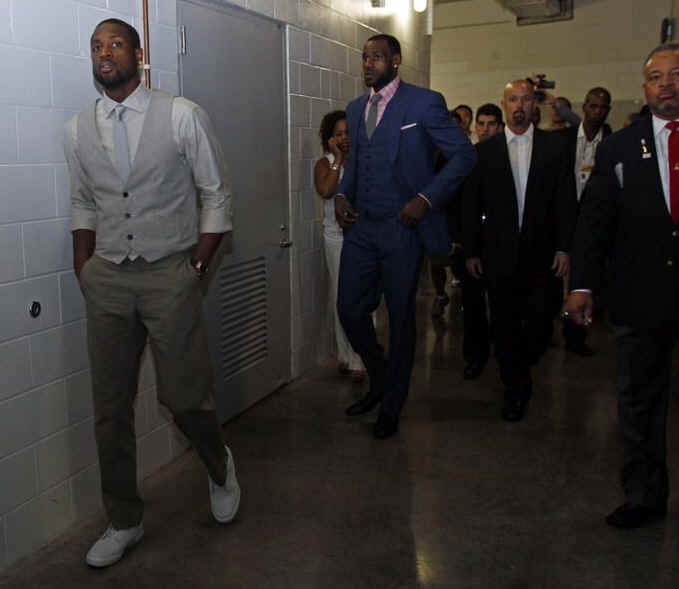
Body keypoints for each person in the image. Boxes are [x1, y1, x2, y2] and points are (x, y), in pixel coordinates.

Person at [65, 19, 239, 567]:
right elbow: (83, 202)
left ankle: (219, 466)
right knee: (110, 408)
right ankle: (124, 519)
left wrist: (197, 265)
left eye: (116, 44)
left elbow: (216, 194)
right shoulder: (78, 128)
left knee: (185, 397)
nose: (105, 53)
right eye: (96, 46)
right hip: (107, 277)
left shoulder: (181, 114)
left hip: (171, 272)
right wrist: (84, 267)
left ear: (139, 54)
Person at [335, 34, 476, 439]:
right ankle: (381, 378)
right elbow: (355, 165)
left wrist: (426, 199)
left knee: (400, 319)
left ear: (396, 60)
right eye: (365, 57)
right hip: (363, 227)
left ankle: (392, 404)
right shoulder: (356, 108)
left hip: (403, 228)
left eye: (377, 57)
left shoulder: (424, 103)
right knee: (349, 309)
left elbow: (464, 154)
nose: (368, 63)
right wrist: (342, 195)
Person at [565, 43, 679, 529]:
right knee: (638, 403)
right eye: (656, 77)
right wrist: (582, 285)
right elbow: (594, 222)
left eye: (675, 74)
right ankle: (644, 497)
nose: (666, 84)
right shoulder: (620, 148)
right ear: (644, 88)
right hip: (640, 294)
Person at [462, 80, 576, 422]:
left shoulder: (554, 147)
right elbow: (472, 204)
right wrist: (472, 250)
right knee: (505, 323)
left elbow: (565, 200)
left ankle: (523, 362)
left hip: (542, 254)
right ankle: (515, 387)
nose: (519, 105)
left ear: (533, 105)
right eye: (513, 99)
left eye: (526, 99)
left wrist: (564, 247)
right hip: (499, 255)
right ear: (504, 104)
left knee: (541, 322)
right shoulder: (485, 152)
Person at [450, 103, 504, 379]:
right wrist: (460, 240)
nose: (485, 129)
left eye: (491, 124)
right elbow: (459, 203)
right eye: (480, 124)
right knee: (472, 304)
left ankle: (505, 355)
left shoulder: (510, 157)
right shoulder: (467, 158)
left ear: (500, 127)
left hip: (501, 244)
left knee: (503, 304)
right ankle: (474, 356)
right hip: (470, 244)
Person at [559, 87, 612, 356]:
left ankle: (575, 336)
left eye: (602, 107)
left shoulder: (612, 143)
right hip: (564, 216)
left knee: (583, 277)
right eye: (592, 106)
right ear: (584, 107)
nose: (597, 112)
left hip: (594, 219)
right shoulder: (563, 140)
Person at [313, 111, 365, 381]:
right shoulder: (325, 163)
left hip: (361, 237)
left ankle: (360, 356)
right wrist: (340, 160)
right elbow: (326, 191)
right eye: (339, 134)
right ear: (330, 138)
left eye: (348, 132)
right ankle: (346, 355)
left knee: (360, 296)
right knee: (339, 295)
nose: (344, 138)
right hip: (335, 238)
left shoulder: (363, 161)